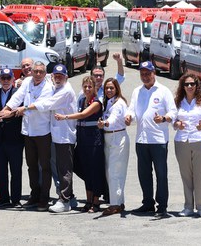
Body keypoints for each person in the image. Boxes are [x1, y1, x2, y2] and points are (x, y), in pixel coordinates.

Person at [125, 61, 177, 217]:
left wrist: (164, 118)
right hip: (141, 140)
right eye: (142, 74)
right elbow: (132, 110)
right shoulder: (137, 91)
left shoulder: (163, 91)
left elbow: (173, 111)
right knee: (144, 174)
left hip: (158, 140)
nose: (145, 76)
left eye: (148, 73)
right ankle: (147, 203)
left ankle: (162, 206)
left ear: (154, 73)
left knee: (161, 174)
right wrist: (129, 117)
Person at [2, 61, 54, 211]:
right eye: (35, 71)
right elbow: (17, 97)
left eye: (40, 72)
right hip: (28, 131)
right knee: (31, 166)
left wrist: (20, 110)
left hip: (43, 131)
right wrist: (6, 109)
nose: (37, 74)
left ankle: (44, 197)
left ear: (45, 74)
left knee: (44, 166)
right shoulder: (27, 82)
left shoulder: (48, 86)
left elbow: (40, 105)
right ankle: (34, 195)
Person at [26, 64, 77, 213]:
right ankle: (70, 198)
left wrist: (27, 108)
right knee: (60, 168)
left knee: (64, 169)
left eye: (61, 75)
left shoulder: (66, 91)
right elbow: (44, 77)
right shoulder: (56, 87)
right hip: (57, 136)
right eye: (56, 75)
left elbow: (48, 104)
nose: (58, 77)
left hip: (65, 136)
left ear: (66, 76)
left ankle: (65, 201)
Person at [56, 76, 105, 213]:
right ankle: (88, 200)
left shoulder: (97, 102)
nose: (87, 89)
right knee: (85, 169)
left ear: (95, 88)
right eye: (85, 86)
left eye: (90, 86)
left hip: (94, 140)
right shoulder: (82, 100)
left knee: (95, 170)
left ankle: (96, 201)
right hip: (82, 139)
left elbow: (83, 115)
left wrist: (64, 117)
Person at [172, 74, 201, 218]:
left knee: (200, 175)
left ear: (197, 85)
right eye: (186, 84)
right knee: (186, 176)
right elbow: (173, 120)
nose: (189, 87)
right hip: (182, 141)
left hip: (199, 141)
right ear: (182, 86)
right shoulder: (178, 101)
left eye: (192, 84)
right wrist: (177, 124)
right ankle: (188, 207)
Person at [0, 68, 25, 208]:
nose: (6, 81)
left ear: (13, 80)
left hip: (15, 138)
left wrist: (2, 116)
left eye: (9, 78)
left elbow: (21, 112)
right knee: (1, 170)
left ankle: (15, 199)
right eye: (3, 78)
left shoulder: (19, 94)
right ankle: (3, 198)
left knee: (16, 171)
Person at [98, 77, 129, 216]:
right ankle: (119, 201)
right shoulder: (108, 102)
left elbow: (114, 118)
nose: (109, 90)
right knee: (110, 172)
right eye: (107, 88)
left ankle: (115, 204)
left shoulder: (119, 103)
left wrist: (105, 123)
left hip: (118, 136)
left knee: (114, 172)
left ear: (117, 89)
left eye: (112, 88)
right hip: (108, 137)